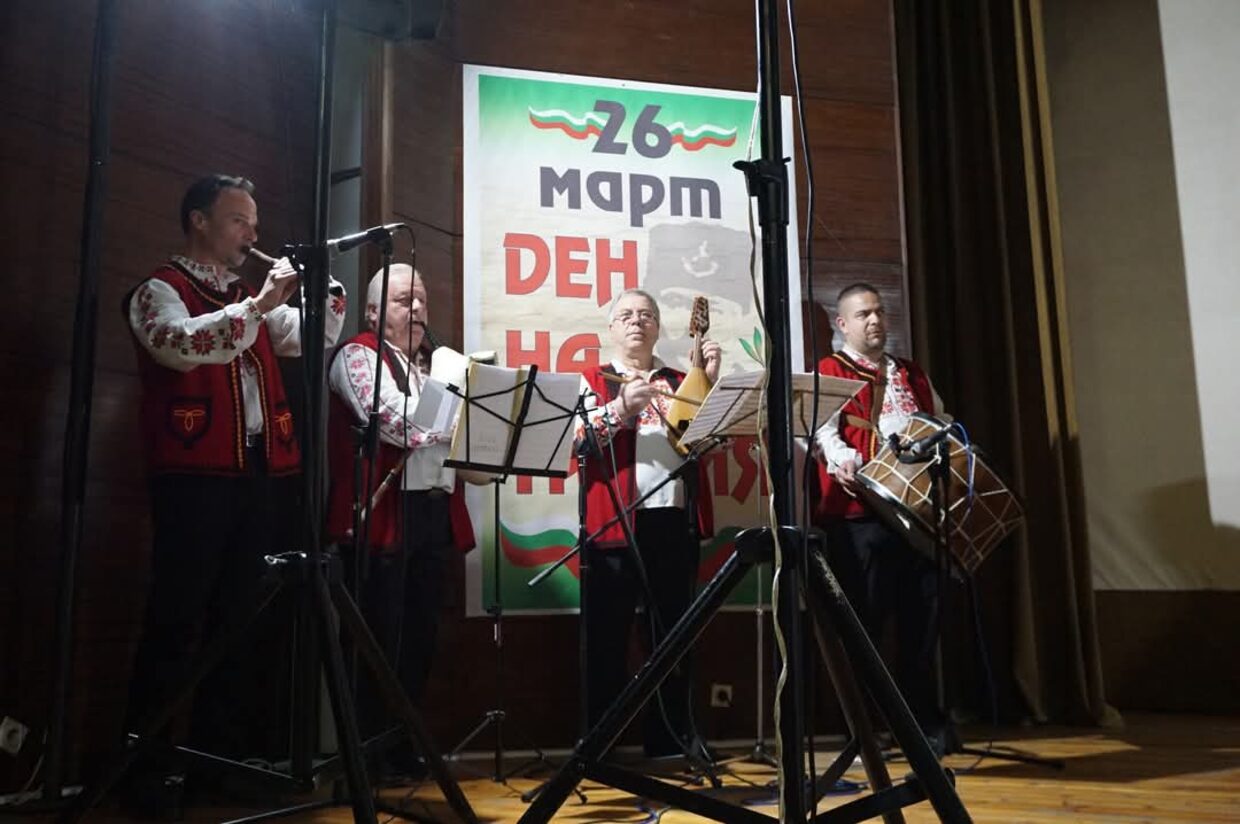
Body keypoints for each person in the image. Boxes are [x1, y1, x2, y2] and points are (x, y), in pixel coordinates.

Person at [124, 173, 347, 811]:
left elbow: (312, 335)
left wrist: (321, 283)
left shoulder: (249, 297)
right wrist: (259, 304)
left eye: (254, 221)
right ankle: (143, 770)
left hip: (258, 475)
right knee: (177, 620)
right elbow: (180, 346)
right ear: (199, 221)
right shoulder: (159, 289)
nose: (252, 233)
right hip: (193, 476)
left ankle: (214, 763)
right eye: (238, 220)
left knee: (239, 621)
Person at [326, 263, 473, 776]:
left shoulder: (432, 369)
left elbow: (456, 434)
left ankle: (400, 747)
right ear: (372, 312)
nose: (416, 309)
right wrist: (458, 404)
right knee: (376, 639)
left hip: (432, 511)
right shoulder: (357, 354)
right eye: (402, 300)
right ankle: (365, 755)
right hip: (382, 517)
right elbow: (394, 420)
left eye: (421, 300)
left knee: (418, 640)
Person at [576, 288, 720, 759]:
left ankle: (671, 739)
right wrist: (621, 409)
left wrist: (708, 385)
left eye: (646, 315)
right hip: (612, 524)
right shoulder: (592, 379)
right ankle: (601, 744)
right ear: (611, 328)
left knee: (673, 634)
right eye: (626, 315)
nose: (637, 321)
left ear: (658, 326)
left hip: (672, 522)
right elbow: (576, 442)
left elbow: (708, 444)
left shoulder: (681, 379)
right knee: (606, 637)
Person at [811, 282, 947, 753]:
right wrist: (842, 459)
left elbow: (940, 420)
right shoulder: (829, 370)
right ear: (842, 324)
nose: (874, 321)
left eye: (879, 312)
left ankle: (920, 722)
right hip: (859, 516)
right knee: (864, 622)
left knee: (921, 618)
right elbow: (822, 431)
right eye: (863, 314)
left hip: (918, 514)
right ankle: (865, 730)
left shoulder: (912, 373)